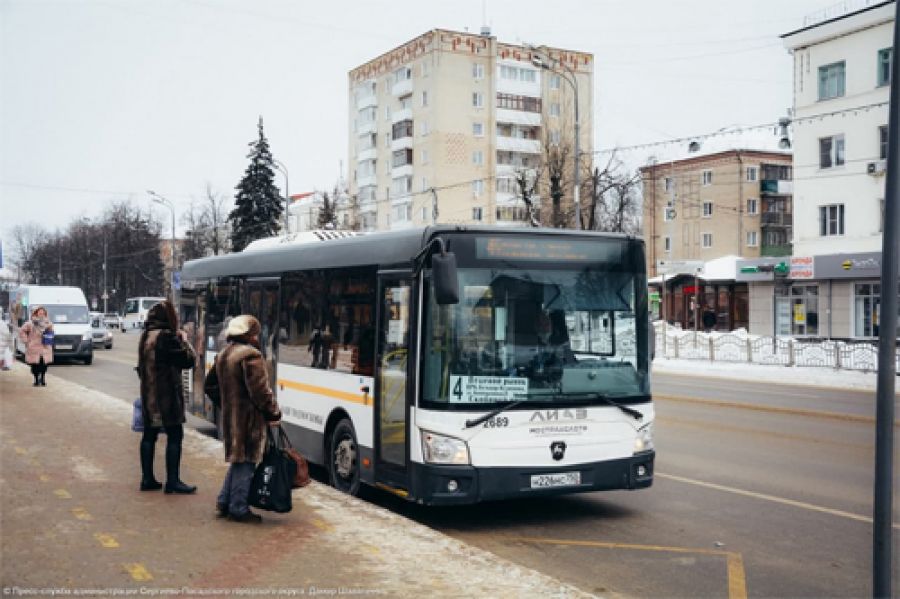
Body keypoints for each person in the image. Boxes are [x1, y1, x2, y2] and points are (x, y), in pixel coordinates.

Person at [204, 315, 282, 523]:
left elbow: (209, 385)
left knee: (238, 461)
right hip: (248, 420)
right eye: (255, 333)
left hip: (232, 419)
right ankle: (238, 508)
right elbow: (261, 393)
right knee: (247, 462)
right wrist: (273, 413)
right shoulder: (251, 356)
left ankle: (224, 501)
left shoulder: (224, 354)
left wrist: (229, 404)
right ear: (250, 335)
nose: (257, 337)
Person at [137, 300, 197, 494]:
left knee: (149, 435)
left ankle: (147, 478)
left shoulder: (146, 336)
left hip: (149, 394)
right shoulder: (167, 337)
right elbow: (189, 360)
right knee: (175, 435)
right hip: (167, 396)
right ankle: (173, 480)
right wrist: (184, 340)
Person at [19, 306, 53, 386]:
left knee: (44, 364)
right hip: (34, 347)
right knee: (35, 365)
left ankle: (43, 378)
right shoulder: (30, 323)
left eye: (43, 312)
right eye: (40, 312)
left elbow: (51, 333)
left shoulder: (48, 323)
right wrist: (26, 341)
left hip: (45, 347)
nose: (41, 314)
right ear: (36, 313)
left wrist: (50, 331)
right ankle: (36, 379)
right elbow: (22, 331)